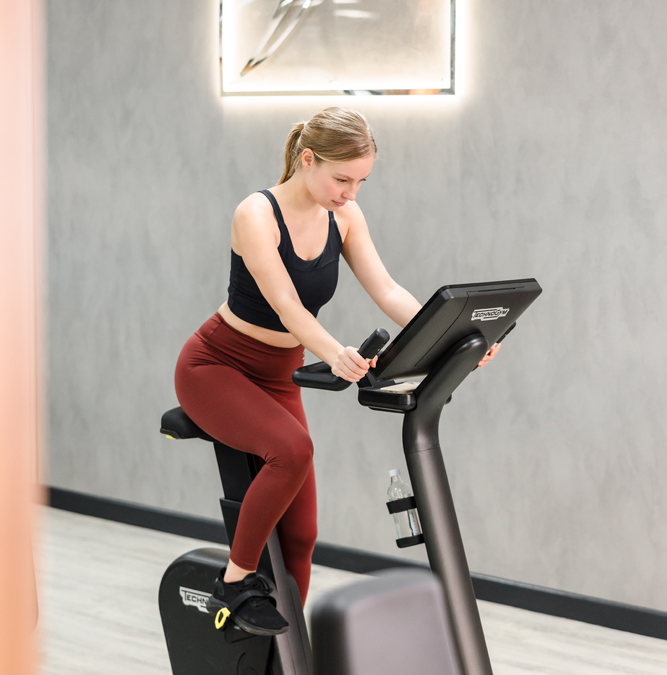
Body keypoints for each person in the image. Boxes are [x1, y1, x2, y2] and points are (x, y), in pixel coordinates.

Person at [174, 107, 499, 637]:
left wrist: (450, 341)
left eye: (361, 181)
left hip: (279, 372)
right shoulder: (255, 214)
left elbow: (387, 290)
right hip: (217, 364)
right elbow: (287, 307)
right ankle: (234, 583)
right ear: (307, 160)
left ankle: (287, 663)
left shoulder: (344, 217)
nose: (351, 193)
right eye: (342, 179)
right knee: (292, 451)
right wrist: (332, 352)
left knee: (302, 534)